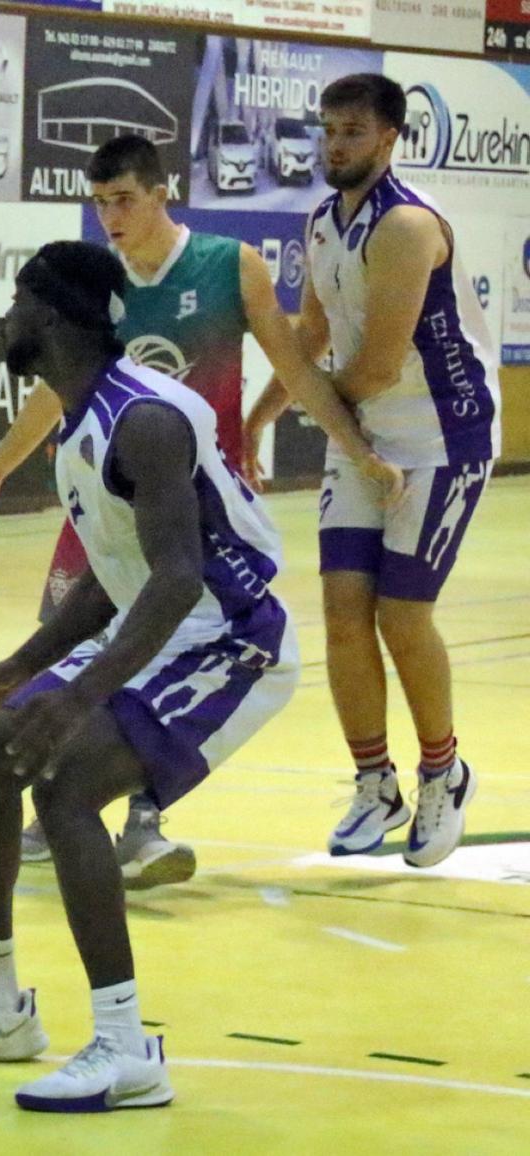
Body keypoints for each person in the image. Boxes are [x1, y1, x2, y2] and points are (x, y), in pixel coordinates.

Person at [0, 241, 301, 1113]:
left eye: (16, 300)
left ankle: (126, 1050)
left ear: (47, 315)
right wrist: (23, 664)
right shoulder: (82, 420)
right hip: (157, 622)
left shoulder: (142, 419)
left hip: (230, 637)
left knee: (68, 784)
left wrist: (79, 696)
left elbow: (178, 578)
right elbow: (114, 575)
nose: (6, 317)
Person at [0, 135, 399, 882]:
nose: (111, 217)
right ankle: (63, 800)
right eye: (99, 203)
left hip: (194, 501)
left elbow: (293, 362)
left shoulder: (228, 265)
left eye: (124, 199)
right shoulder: (94, 282)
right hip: (108, 487)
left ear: (162, 193)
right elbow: (52, 392)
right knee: (71, 633)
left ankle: (136, 820)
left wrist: (351, 446)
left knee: (171, 636)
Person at [242, 74, 500, 865]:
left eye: (352, 131)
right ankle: (373, 782)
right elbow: (312, 337)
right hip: (361, 431)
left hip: (439, 436)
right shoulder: (324, 222)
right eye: (328, 130)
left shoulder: (408, 226)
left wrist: (320, 413)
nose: (335, 145)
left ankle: (442, 772)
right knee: (342, 610)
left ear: (389, 137)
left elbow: (381, 366)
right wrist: (260, 414)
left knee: (401, 615)